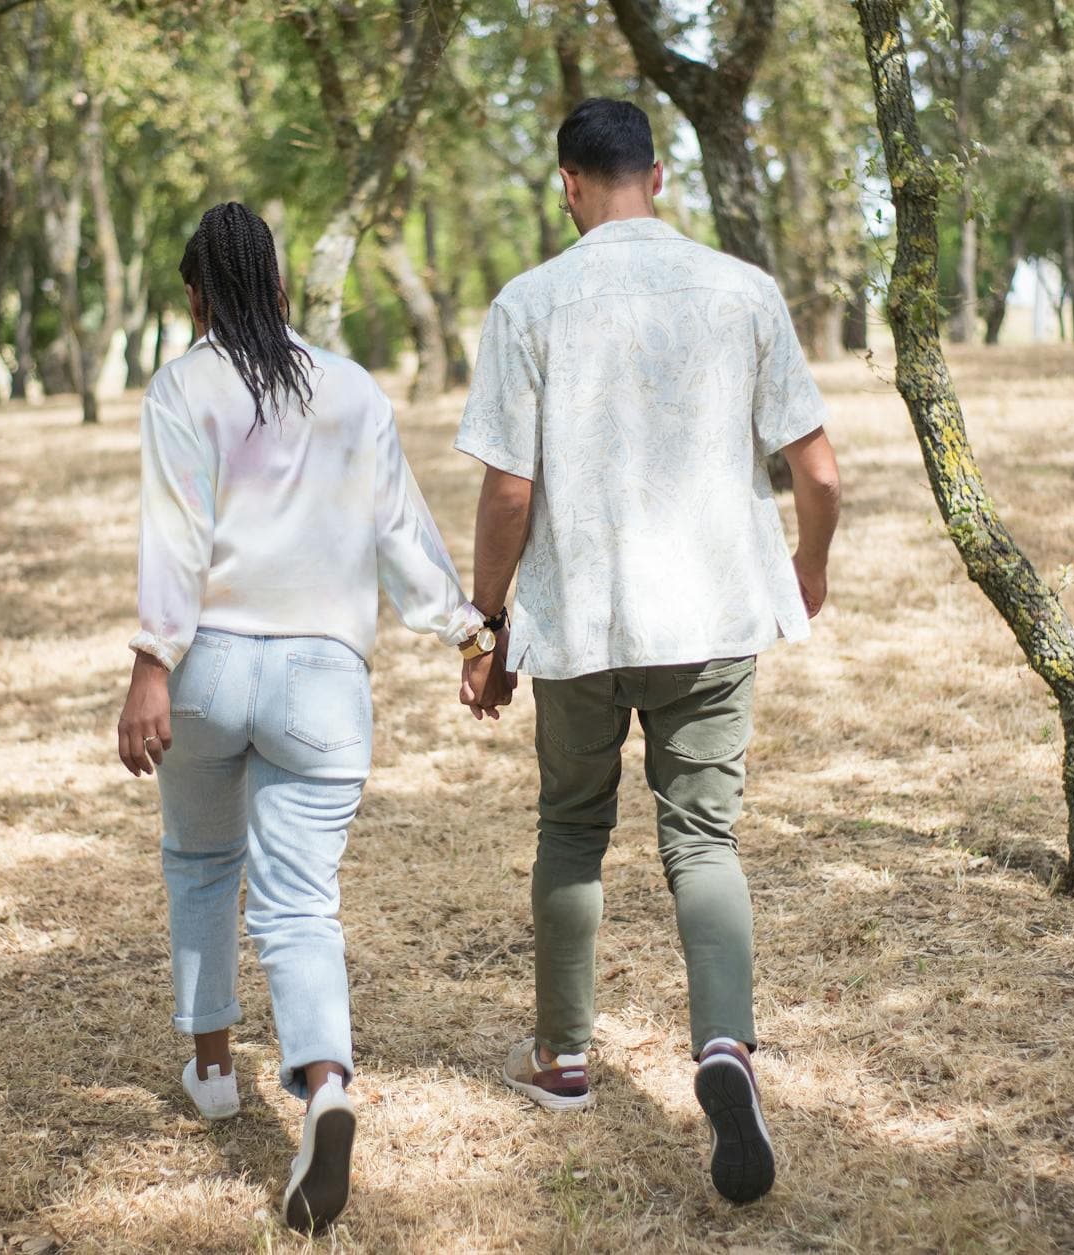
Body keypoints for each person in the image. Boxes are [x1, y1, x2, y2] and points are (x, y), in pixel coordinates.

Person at [453, 98, 843, 1205]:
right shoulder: (742, 291)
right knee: (702, 839)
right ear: (658, 177)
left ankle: (562, 1057)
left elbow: (508, 489)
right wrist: (804, 569)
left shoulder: (528, 303)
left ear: (567, 184)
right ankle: (724, 1047)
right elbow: (816, 471)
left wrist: (487, 628)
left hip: (578, 625)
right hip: (711, 619)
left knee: (571, 831)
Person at [115, 201, 501, 1233]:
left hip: (209, 673)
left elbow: (175, 539)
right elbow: (401, 534)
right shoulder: (351, 390)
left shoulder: (181, 387)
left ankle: (210, 1067)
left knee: (200, 864)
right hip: (325, 682)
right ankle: (324, 1083)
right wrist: (467, 633)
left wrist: (150, 667)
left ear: (194, 297)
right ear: (281, 289)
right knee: (299, 904)